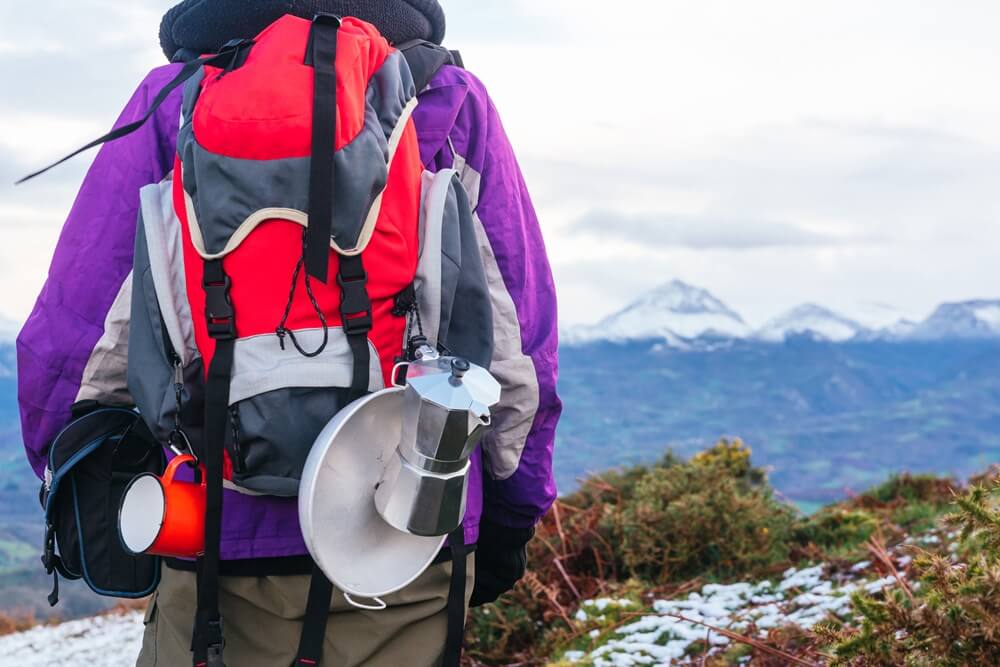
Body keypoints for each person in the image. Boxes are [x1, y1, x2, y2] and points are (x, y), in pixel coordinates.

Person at [16, 1, 561, 665]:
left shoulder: (175, 98)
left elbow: (71, 346)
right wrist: (507, 519)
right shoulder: (445, 98)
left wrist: (85, 491)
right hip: (408, 540)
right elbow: (517, 350)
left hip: (210, 541)